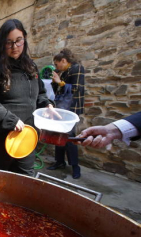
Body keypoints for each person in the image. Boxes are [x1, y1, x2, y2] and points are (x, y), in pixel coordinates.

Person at [0, 19, 54, 176]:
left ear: (24, 39)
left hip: (26, 139)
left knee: (25, 183)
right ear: (2, 44)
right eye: (9, 42)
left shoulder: (31, 67)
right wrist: (10, 119)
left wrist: (47, 105)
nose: (15, 47)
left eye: (18, 41)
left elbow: (41, 94)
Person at [47, 49, 85, 179]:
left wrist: (59, 82)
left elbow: (76, 88)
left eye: (57, 64)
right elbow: (58, 91)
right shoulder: (62, 71)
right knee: (59, 134)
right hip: (61, 107)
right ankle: (59, 162)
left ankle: (75, 166)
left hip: (72, 108)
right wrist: (54, 82)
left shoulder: (77, 68)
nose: (56, 67)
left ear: (63, 61)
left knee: (69, 136)